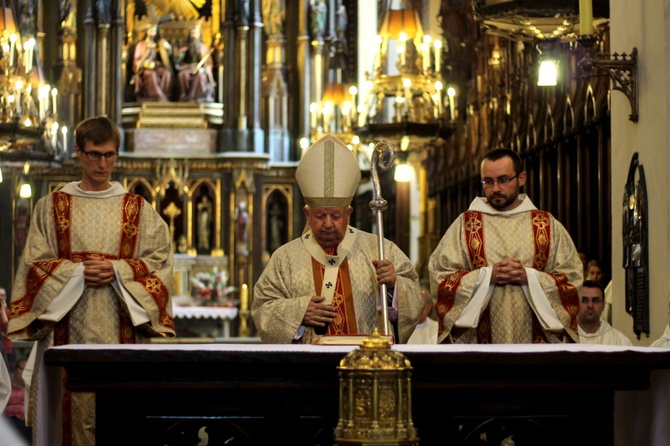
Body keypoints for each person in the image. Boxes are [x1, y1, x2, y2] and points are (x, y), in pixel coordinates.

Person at [7, 115, 176, 445]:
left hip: (121, 329)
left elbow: (160, 263)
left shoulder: (138, 209)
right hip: (65, 332)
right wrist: (77, 272)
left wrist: (118, 271)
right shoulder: (52, 206)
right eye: (95, 154)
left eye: (110, 154)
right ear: (78, 153)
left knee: (118, 422)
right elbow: (33, 265)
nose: (103, 163)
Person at [252, 134, 424, 344]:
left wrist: (394, 286)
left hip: (367, 361)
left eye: (335, 216)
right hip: (308, 365)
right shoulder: (285, 258)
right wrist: (298, 313)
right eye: (319, 216)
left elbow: (416, 298)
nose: (327, 223)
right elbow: (263, 308)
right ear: (307, 214)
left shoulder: (379, 249)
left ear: (348, 214)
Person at [428, 147, 582, 344]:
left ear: (521, 178)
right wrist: (486, 276)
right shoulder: (465, 224)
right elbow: (440, 276)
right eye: (488, 181)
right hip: (480, 346)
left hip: (537, 347)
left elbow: (572, 278)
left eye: (503, 179)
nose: (495, 189)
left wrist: (529, 277)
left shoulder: (546, 224)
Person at [578, 280, 632, 345]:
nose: (590, 305)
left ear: (603, 305)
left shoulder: (620, 341)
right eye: (584, 300)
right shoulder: (565, 339)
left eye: (595, 300)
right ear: (576, 304)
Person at [132, 24, 174, 102]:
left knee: (166, 73)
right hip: (144, 69)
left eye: (154, 30)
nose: (153, 32)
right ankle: (157, 97)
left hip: (156, 66)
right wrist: (146, 57)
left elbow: (167, 57)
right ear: (147, 31)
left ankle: (166, 96)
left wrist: (168, 48)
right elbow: (136, 61)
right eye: (151, 30)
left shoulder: (158, 44)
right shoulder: (141, 44)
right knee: (152, 75)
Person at [174, 24, 215, 103]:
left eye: (196, 33)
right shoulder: (185, 47)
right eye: (192, 33)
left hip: (200, 69)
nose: (194, 35)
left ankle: (195, 97)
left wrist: (204, 70)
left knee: (200, 77)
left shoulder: (203, 47)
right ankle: (184, 96)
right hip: (187, 68)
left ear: (199, 35)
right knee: (182, 75)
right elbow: (179, 62)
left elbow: (209, 64)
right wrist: (179, 55)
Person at [2, 356, 31, 443]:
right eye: (21, 369)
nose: (23, 373)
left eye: (26, 370)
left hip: (26, 423)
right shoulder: (6, 387)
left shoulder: (31, 389)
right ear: (15, 369)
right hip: (10, 421)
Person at [0, 287, 12, 367]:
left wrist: (3, 310)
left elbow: (6, 326)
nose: (1, 298)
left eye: (3, 295)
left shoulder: (8, 312)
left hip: (6, 347)